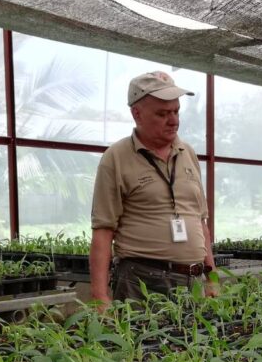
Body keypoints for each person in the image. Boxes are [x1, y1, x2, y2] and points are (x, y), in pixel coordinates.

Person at [89, 71, 216, 305]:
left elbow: (201, 221)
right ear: (137, 114)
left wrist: (211, 277)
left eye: (176, 111)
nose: (174, 120)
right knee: (143, 341)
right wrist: (100, 297)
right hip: (142, 282)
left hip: (193, 281)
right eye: (162, 113)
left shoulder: (187, 153)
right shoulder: (116, 158)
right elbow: (103, 230)